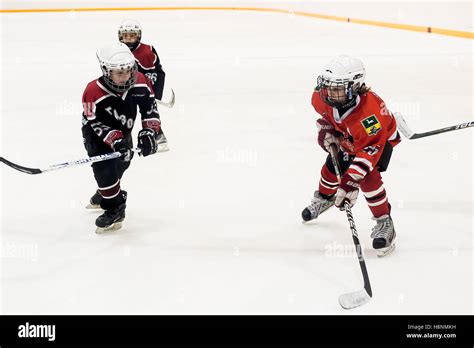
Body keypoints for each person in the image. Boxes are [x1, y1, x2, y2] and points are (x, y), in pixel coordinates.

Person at [301, 55, 401, 257]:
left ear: (354, 87)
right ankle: (325, 198)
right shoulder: (323, 97)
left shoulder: (369, 115)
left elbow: (370, 150)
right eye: (328, 86)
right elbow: (328, 118)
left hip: (379, 141)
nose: (329, 92)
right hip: (352, 135)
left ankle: (385, 222)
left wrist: (349, 182)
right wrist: (327, 130)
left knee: (369, 178)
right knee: (332, 166)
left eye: (336, 88)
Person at [82, 42, 161, 233]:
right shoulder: (92, 91)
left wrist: (149, 131)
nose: (126, 76)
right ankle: (115, 208)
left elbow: (150, 109)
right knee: (104, 169)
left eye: (129, 70)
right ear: (106, 70)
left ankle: (106, 192)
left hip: (125, 131)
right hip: (96, 135)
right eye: (119, 72)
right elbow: (94, 122)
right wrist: (115, 140)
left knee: (122, 164)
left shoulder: (141, 81)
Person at [118, 19, 168, 151]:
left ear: (138, 35)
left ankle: (158, 137)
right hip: (126, 90)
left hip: (143, 89)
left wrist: (155, 94)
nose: (128, 38)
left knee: (148, 112)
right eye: (125, 35)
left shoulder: (146, 52)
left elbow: (156, 74)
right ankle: (123, 142)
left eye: (132, 35)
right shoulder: (117, 50)